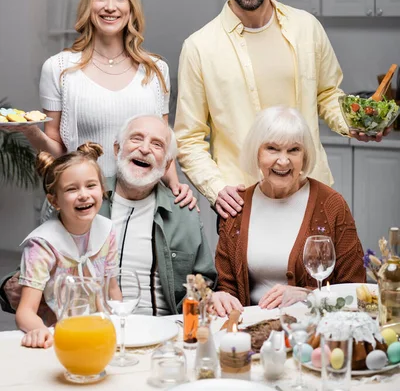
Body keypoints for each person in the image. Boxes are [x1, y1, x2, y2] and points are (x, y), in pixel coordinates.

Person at [175, 0, 388, 220]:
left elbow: (327, 94)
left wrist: (357, 124)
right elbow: (188, 138)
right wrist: (217, 188)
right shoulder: (199, 47)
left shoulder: (306, 28)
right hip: (242, 202)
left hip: (312, 194)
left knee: (320, 268)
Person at [19, 0, 194, 209]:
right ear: (88, 5)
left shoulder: (156, 70)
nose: (110, 7)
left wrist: (176, 185)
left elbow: (161, 145)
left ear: (131, 7)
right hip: (81, 206)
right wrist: (31, 133)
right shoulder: (59, 68)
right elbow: (58, 151)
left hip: (142, 206)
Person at [214, 106, 366, 315]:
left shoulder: (331, 205)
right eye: (272, 149)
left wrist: (309, 295)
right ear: (256, 153)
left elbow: (355, 288)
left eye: (294, 150)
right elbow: (226, 287)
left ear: (304, 156)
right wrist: (221, 296)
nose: (283, 160)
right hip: (250, 331)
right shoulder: (236, 206)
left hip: (312, 331)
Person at [99, 114, 227, 315]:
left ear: (167, 164)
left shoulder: (183, 212)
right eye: (136, 138)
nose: (144, 148)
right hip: (97, 329)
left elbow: (205, 281)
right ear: (117, 149)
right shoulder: (90, 200)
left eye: (157, 144)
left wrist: (203, 300)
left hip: (162, 330)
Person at [15, 143, 119, 349]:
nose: (84, 194)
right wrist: (38, 330)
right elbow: (25, 311)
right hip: (60, 338)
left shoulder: (107, 231)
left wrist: (118, 325)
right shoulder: (42, 245)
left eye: (91, 185)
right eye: (71, 189)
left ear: (102, 188)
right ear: (54, 201)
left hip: (98, 334)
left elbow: (113, 290)